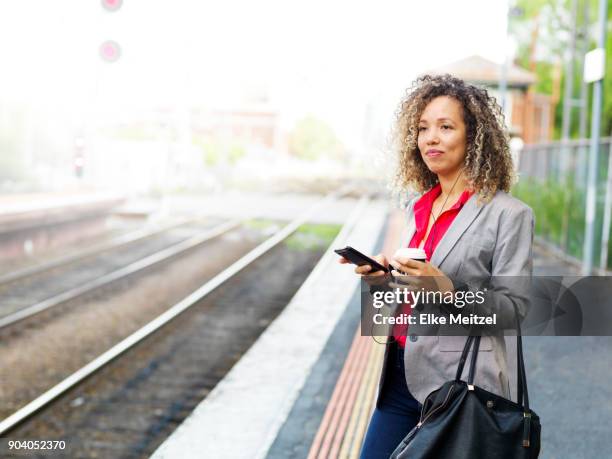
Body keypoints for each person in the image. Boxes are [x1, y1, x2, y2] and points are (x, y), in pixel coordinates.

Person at [338, 74, 534, 459]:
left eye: (446, 127)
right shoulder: (419, 207)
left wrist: (446, 288)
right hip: (398, 375)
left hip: (462, 391)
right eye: (423, 128)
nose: (431, 138)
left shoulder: (509, 215)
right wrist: (382, 281)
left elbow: (512, 312)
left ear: (474, 136)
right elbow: (410, 294)